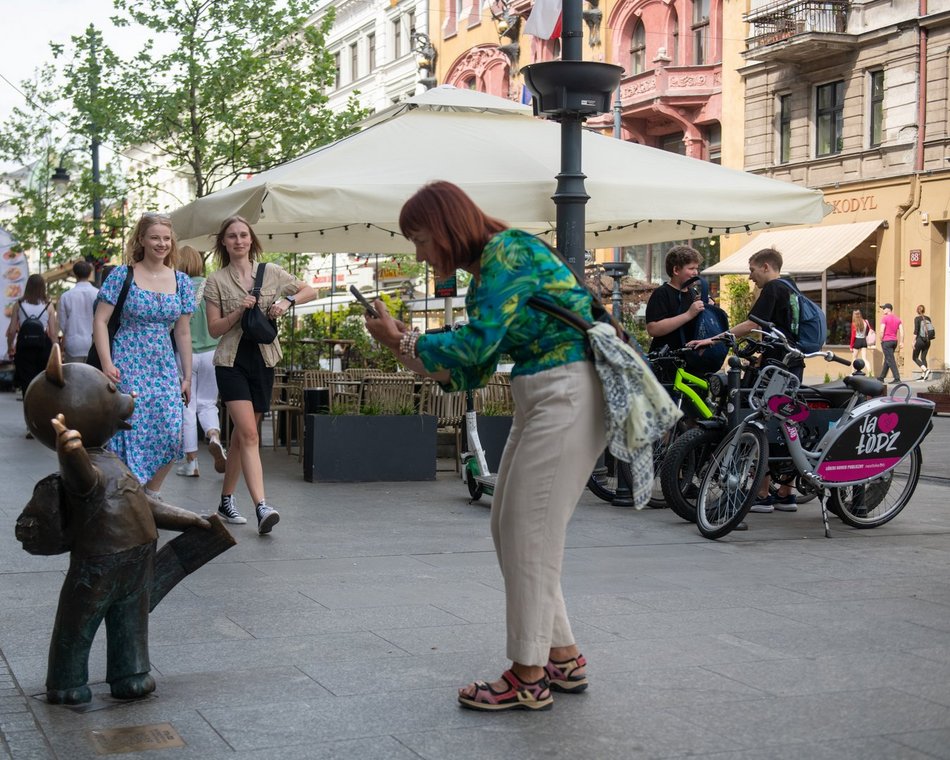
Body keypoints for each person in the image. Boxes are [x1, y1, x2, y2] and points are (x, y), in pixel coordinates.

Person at [364, 181, 606, 712]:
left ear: (446, 228)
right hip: (544, 395)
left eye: (421, 240)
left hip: (567, 391)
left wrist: (404, 340)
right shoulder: (486, 276)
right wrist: (402, 343)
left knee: (528, 534)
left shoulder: (508, 251)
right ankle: (562, 657)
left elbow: (476, 346)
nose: (420, 255)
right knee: (511, 529)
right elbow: (468, 374)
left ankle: (528, 676)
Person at [204, 215, 315, 534]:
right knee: (250, 435)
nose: (239, 240)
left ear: (251, 239)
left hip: (264, 360)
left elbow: (310, 291)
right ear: (224, 242)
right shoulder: (216, 281)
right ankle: (261, 506)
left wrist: (287, 301)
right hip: (231, 363)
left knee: (243, 435)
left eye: (243, 235)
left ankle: (226, 500)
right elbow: (214, 329)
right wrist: (239, 310)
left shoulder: (272, 272)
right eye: (232, 236)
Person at [688, 247, 801, 514]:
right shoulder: (792, 288)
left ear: (765, 267)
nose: (751, 277)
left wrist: (713, 339)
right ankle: (786, 493)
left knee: (760, 421)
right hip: (793, 364)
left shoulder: (773, 288)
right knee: (785, 421)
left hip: (777, 368)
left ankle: (761, 494)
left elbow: (751, 324)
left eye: (752, 270)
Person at [91, 213, 195, 499]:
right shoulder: (122, 275)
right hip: (128, 359)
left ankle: (151, 493)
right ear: (142, 240)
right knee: (130, 427)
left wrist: (186, 375)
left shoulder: (182, 281)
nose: (161, 244)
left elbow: (182, 332)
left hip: (163, 363)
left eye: (166, 238)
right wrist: (107, 363)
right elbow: (100, 320)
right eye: (155, 238)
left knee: (172, 428)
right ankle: (127, 493)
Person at [175, 245, 227, 478]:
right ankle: (213, 436)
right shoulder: (212, 285)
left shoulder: (176, 287)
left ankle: (192, 462)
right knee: (208, 403)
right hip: (212, 353)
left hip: (184, 354)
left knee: (187, 406)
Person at [644, 245, 707, 380]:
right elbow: (653, 329)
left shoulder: (693, 293)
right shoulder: (662, 293)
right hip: (666, 365)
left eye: (697, 268)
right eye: (691, 268)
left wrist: (707, 307)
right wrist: (688, 314)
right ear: (676, 270)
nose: (696, 272)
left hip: (691, 363)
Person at [6, 274, 58, 425]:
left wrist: (10, 347)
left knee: (27, 385)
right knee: (43, 384)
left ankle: (30, 425)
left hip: (24, 348)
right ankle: (42, 422)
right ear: (43, 287)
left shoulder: (19, 304)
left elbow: (11, 330)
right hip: (43, 348)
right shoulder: (49, 305)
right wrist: (56, 352)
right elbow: (53, 334)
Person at [57, 260, 99, 363]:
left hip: (73, 343)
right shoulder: (98, 294)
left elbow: (62, 323)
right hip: (94, 343)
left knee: (74, 372)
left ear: (75, 274)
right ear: (90, 274)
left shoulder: (66, 296)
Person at [877, 303, 903, 384]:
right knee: (888, 358)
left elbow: (881, 331)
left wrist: (881, 340)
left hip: (886, 341)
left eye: (884, 308)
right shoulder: (898, 319)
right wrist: (902, 342)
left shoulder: (884, 318)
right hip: (894, 341)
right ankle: (881, 377)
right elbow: (902, 332)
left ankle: (897, 378)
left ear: (888, 309)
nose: (883, 310)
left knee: (890, 359)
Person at [912, 304, 933, 381]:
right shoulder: (928, 318)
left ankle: (926, 370)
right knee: (923, 358)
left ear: (917, 311)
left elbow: (916, 331)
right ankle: (923, 376)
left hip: (920, 340)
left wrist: (913, 341)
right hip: (928, 341)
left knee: (914, 357)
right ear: (924, 310)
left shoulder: (917, 319)